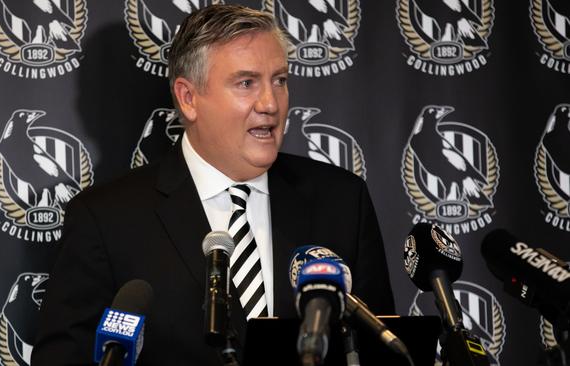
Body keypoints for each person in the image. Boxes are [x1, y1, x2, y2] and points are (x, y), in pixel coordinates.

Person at [32, 5, 394, 365]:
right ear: (189, 98)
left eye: (280, 80)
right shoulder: (106, 219)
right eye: (246, 83)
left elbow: (382, 349)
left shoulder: (343, 201)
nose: (270, 103)